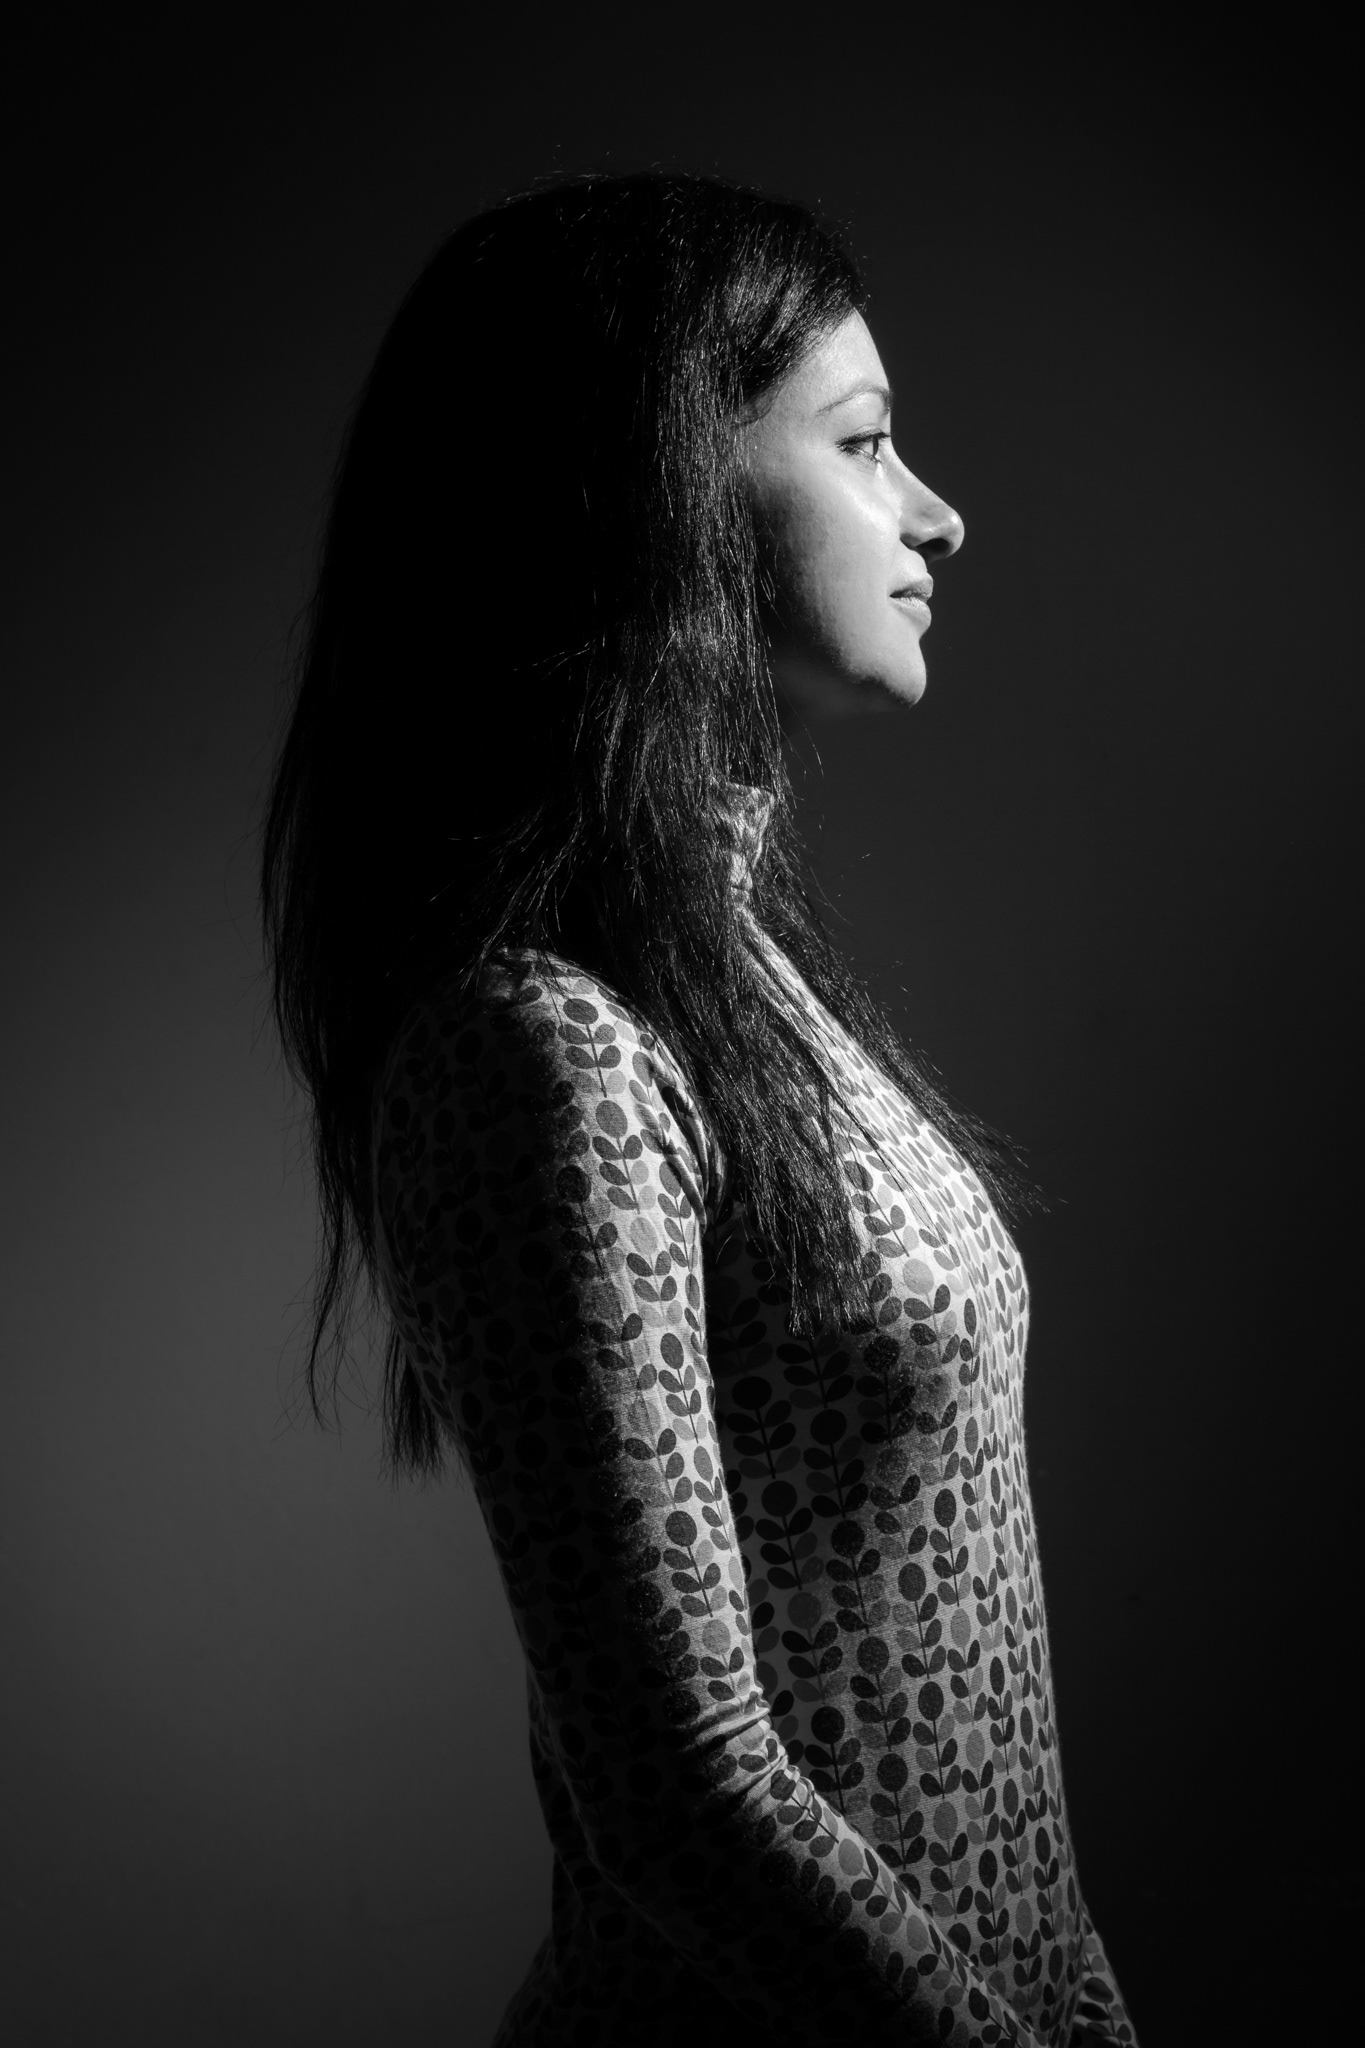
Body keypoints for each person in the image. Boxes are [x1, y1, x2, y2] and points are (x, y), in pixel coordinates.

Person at [261, 171, 1137, 2047]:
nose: (937, 513)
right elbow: (681, 1790)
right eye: (866, 443)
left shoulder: (748, 989)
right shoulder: (546, 1054)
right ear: (651, 494)